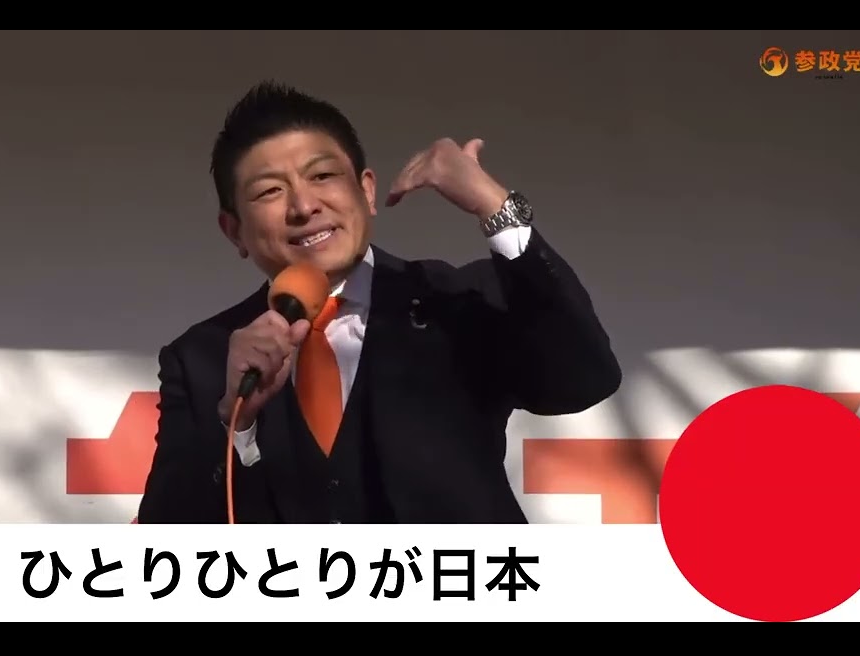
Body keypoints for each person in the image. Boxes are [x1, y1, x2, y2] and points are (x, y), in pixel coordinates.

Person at [136, 81, 621, 524]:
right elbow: (166, 535)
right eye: (270, 191)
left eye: (322, 175)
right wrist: (235, 420)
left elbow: (582, 380)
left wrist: (494, 206)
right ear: (234, 231)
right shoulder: (202, 358)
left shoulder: (453, 300)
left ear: (366, 190)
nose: (304, 206)